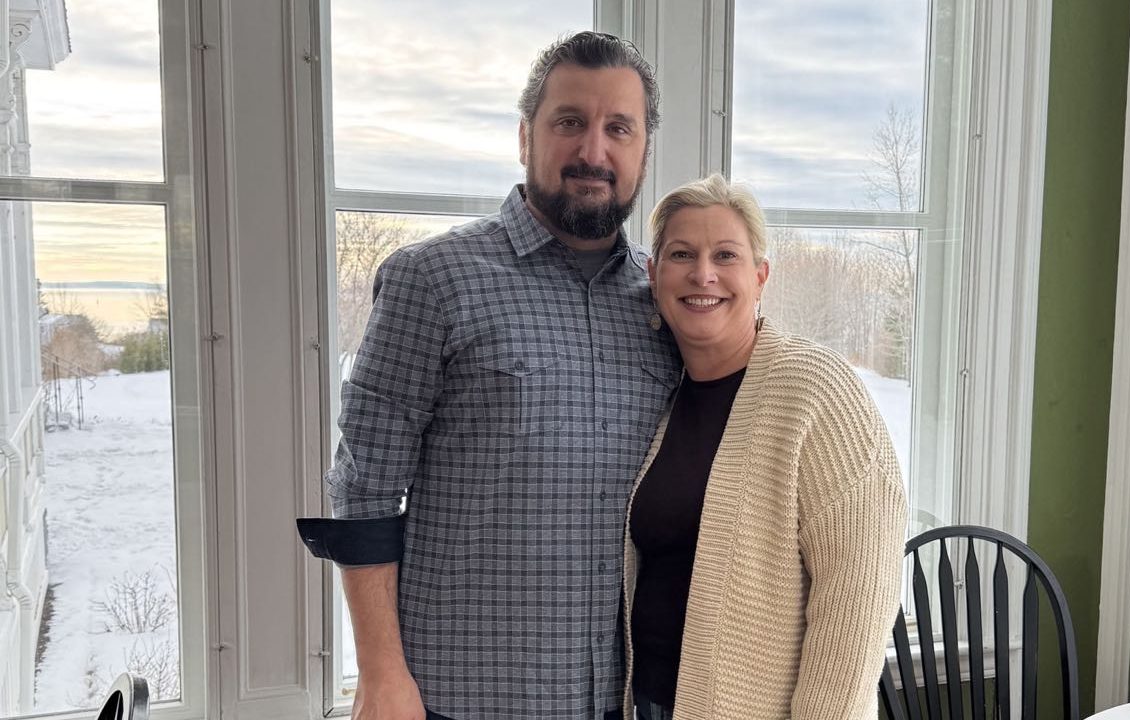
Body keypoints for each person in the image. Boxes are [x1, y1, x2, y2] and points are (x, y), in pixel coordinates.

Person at [296, 32, 680, 720]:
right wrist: (381, 676)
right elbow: (364, 490)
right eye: (570, 122)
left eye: (618, 128)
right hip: (462, 698)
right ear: (525, 136)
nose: (594, 151)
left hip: (625, 697)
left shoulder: (665, 305)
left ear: (644, 148)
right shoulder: (433, 281)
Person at [624, 174, 907, 720]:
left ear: (760, 276)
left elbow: (856, 603)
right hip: (649, 702)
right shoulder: (659, 391)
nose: (702, 273)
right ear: (655, 275)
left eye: (725, 254)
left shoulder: (817, 391)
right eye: (682, 253)